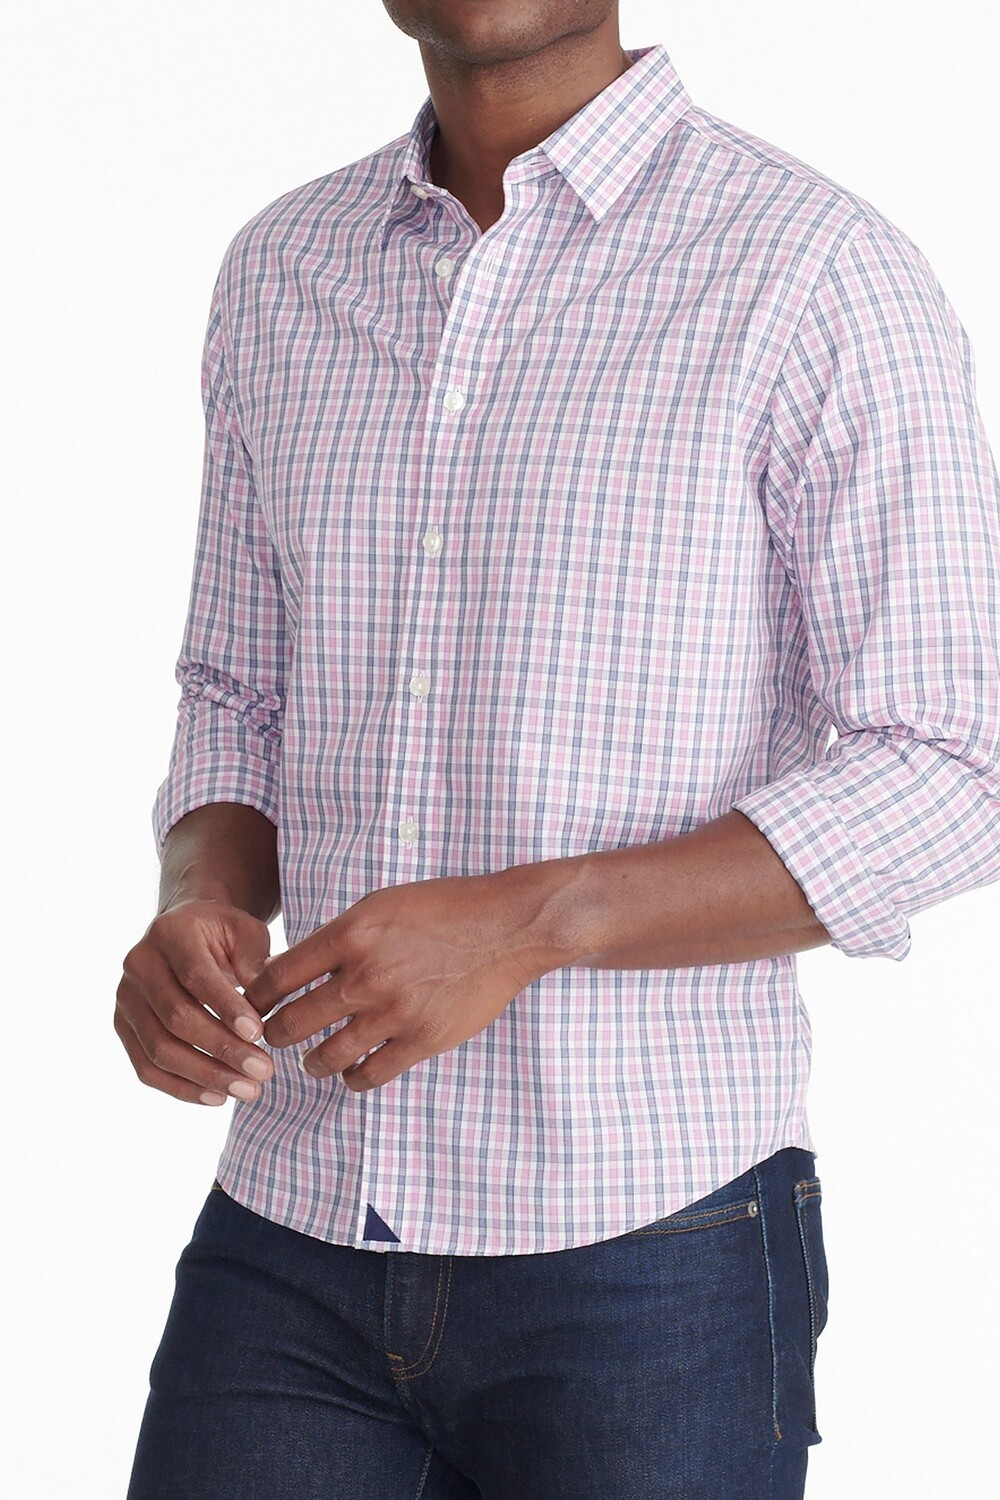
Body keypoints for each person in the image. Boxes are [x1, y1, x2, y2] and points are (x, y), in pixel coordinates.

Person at [118, 3, 1000, 1496]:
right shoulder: (282, 268)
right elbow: (234, 689)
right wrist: (196, 899)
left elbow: (956, 763)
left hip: (651, 1247)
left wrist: (534, 924)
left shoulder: (813, 272)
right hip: (293, 1226)